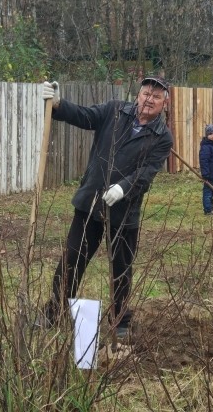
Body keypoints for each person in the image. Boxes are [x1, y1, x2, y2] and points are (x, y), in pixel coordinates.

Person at [39, 76, 174, 340]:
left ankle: (120, 320)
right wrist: (57, 105)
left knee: (122, 267)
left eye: (156, 97)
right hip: (91, 203)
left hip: (125, 213)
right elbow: (84, 116)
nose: (149, 99)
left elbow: (146, 172)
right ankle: (54, 313)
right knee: (72, 260)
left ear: (164, 103)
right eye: (146, 93)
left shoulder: (162, 136)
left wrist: (124, 187)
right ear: (138, 95)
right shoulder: (114, 111)